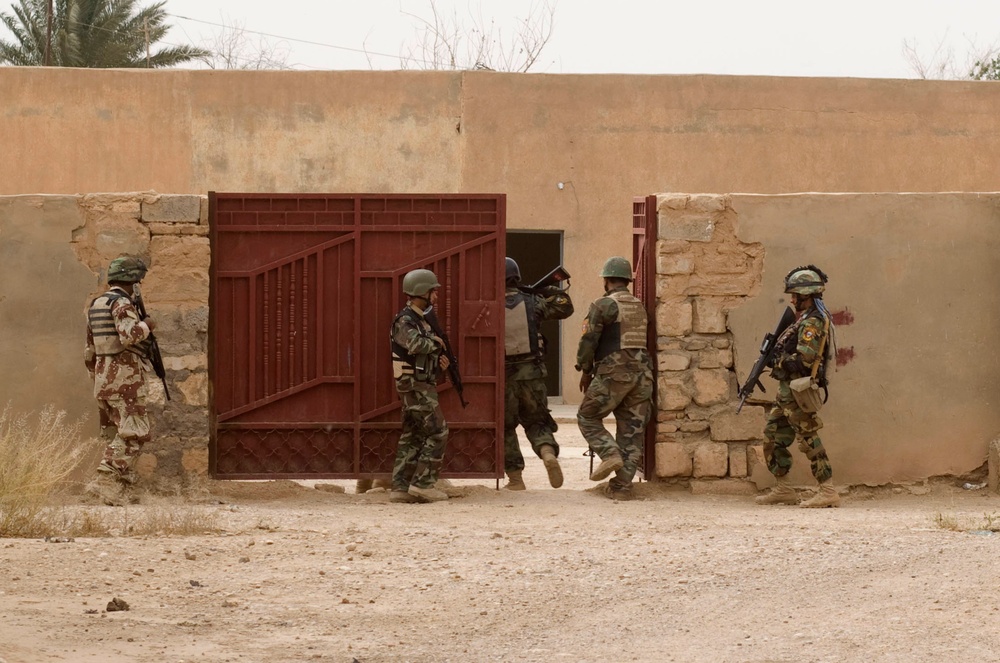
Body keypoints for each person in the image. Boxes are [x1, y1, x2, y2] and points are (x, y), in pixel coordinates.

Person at [755, 265, 840, 508]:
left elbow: (805, 360)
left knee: (808, 438)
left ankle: (828, 490)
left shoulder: (812, 323)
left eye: (796, 295)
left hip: (797, 391)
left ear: (808, 295)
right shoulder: (802, 319)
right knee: (772, 436)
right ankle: (783, 489)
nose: (792, 299)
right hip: (786, 393)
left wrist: (778, 361)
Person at [575, 256, 654, 500]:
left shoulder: (603, 305)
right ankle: (621, 488)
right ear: (627, 280)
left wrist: (585, 370)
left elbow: (589, 341)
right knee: (631, 431)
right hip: (643, 376)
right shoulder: (640, 306)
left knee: (587, 416)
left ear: (607, 280)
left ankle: (609, 454)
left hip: (614, 372)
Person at [84, 256, 156, 502]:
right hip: (125, 380)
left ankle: (120, 488)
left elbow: (89, 350)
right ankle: (104, 482)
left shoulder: (97, 303)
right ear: (131, 281)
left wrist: (97, 379)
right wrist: (147, 325)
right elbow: (129, 335)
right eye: (138, 280)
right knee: (135, 433)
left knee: (120, 433)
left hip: (104, 378)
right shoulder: (121, 303)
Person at [502, 257, 574, 490]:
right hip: (533, 375)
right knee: (537, 422)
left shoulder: (490, 305)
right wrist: (543, 289)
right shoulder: (533, 302)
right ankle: (547, 454)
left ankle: (515, 479)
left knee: (505, 427)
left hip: (504, 377)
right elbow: (565, 305)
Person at [389, 268, 451, 504]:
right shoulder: (405, 320)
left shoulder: (419, 320)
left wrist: (439, 360)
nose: (435, 297)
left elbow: (422, 353)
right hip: (415, 386)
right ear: (421, 292)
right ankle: (423, 485)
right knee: (438, 431)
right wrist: (435, 343)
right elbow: (415, 345)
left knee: (413, 434)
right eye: (432, 292)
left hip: (419, 383)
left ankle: (400, 487)